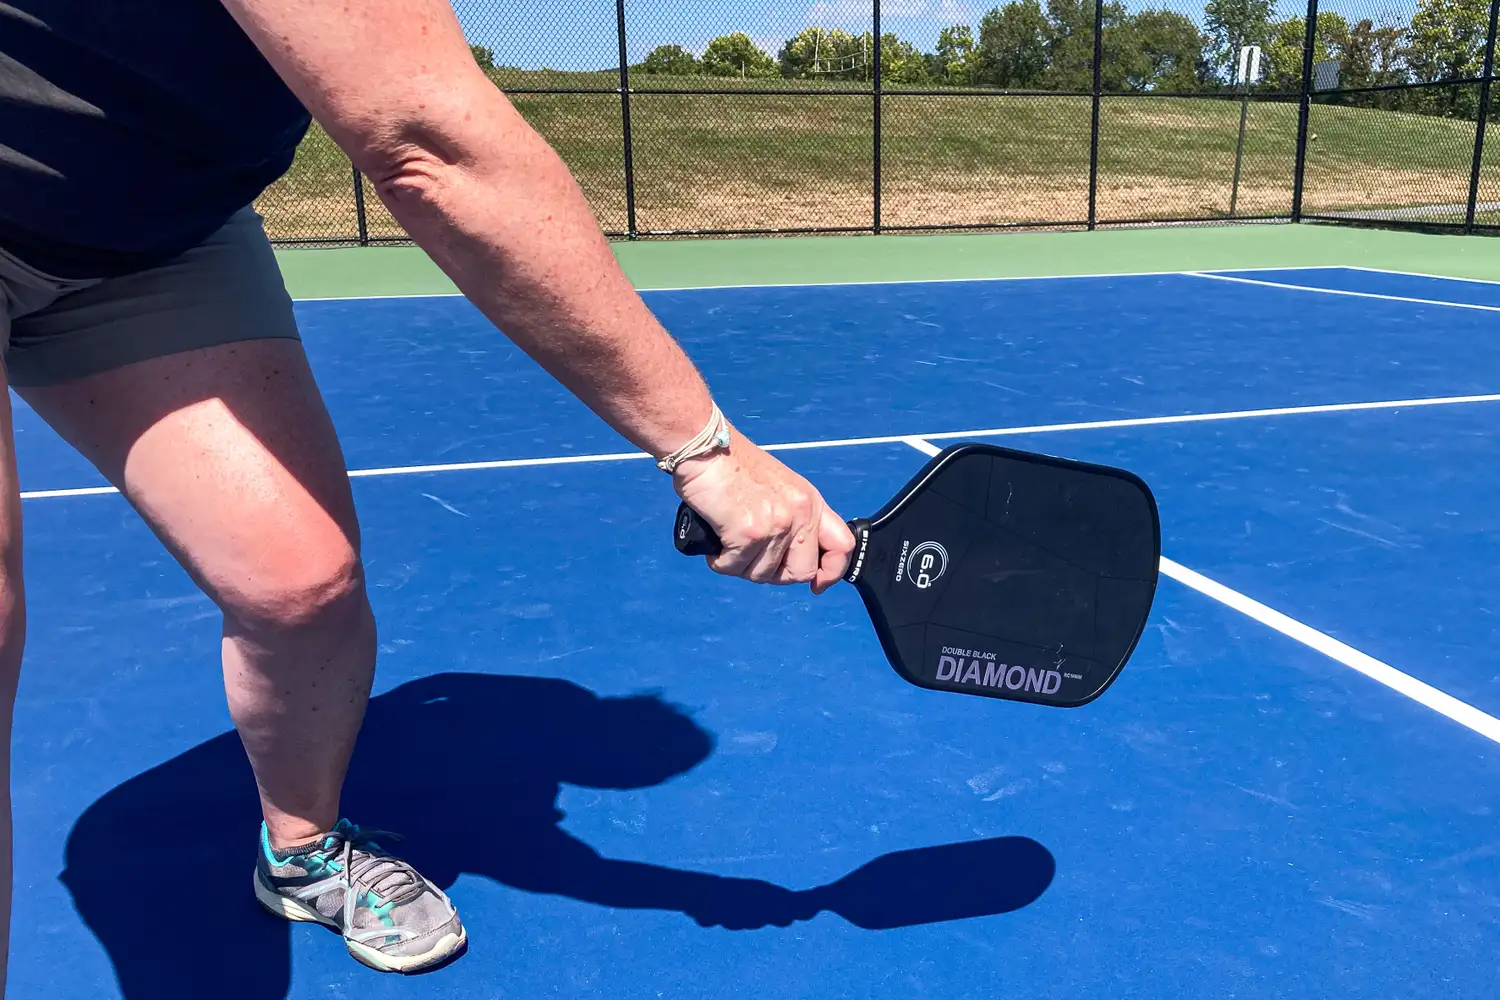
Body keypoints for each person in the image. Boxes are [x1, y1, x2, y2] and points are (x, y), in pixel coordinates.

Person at [0, 0, 856, 985]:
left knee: (302, 586)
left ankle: (301, 854)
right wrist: (707, 450)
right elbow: (426, 140)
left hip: (149, 236)